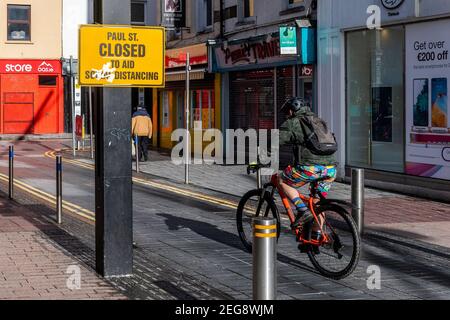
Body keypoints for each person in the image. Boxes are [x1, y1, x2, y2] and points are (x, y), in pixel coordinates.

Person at [278, 97, 337, 236]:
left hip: (310, 168)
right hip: (330, 169)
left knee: (282, 181)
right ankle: (316, 238)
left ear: (292, 110)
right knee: (317, 204)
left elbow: (275, 142)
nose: (287, 115)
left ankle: (302, 210)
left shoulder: (293, 122)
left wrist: (261, 157)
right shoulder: (319, 121)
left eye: (287, 112)